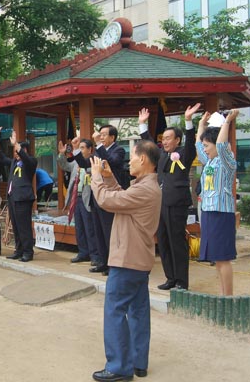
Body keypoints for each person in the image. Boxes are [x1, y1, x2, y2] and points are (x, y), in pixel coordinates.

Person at [89, 140, 162, 382]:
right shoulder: (147, 186)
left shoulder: (144, 189)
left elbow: (107, 201)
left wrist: (97, 177)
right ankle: (139, 363)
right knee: (138, 311)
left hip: (127, 259)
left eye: (132, 156)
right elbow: (122, 196)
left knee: (115, 310)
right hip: (137, 259)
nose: (129, 161)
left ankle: (119, 366)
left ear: (143, 159)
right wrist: (109, 179)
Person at [139, 103, 200, 290]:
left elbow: (191, 143)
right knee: (164, 243)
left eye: (168, 139)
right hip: (161, 204)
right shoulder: (162, 155)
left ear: (177, 140)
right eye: (163, 139)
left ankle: (182, 281)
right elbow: (149, 145)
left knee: (177, 243)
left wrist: (188, 121)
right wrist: (143, 125)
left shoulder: (184, 153)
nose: (164, 142)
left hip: (177, 204)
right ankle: (170, 278)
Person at [70, 125, 127, 275]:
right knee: (99, 231)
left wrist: (99, 146)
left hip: (110, 197)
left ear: (112, 137)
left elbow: (111, 163)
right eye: (100, 135)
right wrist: (76, 149)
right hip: (96, 197)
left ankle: (112, 264)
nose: (100, 137)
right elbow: (84, 164)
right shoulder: (98, 152)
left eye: (103, 135)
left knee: (109, 232)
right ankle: (103, 262)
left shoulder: (118, 150)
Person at [195, 110, 238, 296]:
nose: (204, 149)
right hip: (209, 211)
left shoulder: (226, 161)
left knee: (223, 257)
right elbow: (198, 146)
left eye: (207, 145)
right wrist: (200, 125)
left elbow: (221, 144)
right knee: (216, 258)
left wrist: (227, 122)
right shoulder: (210, 162)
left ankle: (227, 296)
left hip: (222, 212)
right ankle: (222, 293)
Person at [0, 130, 38, 262]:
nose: (15, 153)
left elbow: (25, 158)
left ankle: (28, 252)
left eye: (17, 150)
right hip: (13, 197)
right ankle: (18, 250)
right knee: (16, 225)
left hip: (23, 198)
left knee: (24, 226)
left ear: (23, 149)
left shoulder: (30, 161)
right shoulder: (14, 162)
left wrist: (18, 146)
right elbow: (2, 158)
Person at [57, 138, 97, 264]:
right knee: (79, 227)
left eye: (83, 147)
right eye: (79, 147)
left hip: (88, 198)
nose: (80, 149)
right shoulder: (75, 163)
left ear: (90, 149)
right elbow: (64, 165)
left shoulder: (93, 162)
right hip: (76, 198)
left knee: (90, 228)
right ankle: (83, 252)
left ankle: (95, 255)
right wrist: (61, 154)